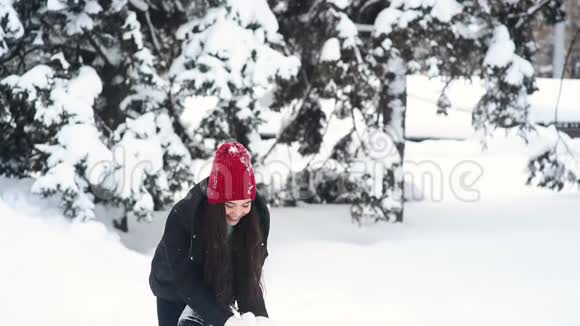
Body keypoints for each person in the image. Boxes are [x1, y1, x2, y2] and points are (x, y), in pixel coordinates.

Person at [149, 142, 270, 326]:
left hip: (219, 284)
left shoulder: (258, 215)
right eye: (229, 205)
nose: (237, 213)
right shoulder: (183, 216)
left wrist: (259, 317)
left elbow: (248, 274)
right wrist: (226, 320)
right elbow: (186, 280)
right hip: (175, 288)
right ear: (216, 201)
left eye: (245, 204)